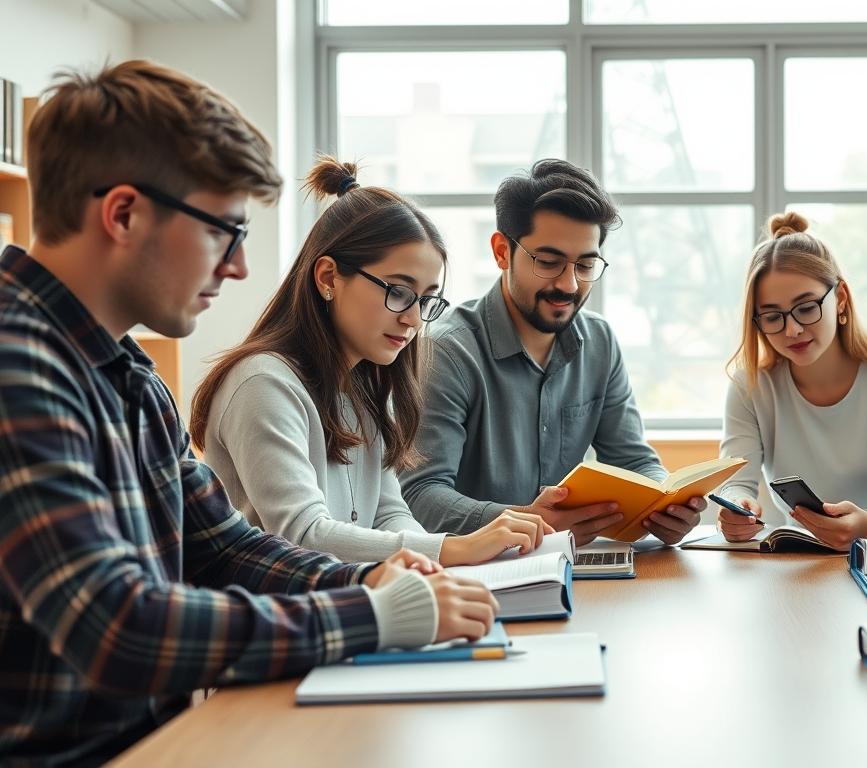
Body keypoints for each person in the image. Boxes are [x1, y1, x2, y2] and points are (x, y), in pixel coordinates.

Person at [0, 61, 496, 765]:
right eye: (222, 232)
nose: (236, 267)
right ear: (123, 214)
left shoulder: (127, 371)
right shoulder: (18, 364)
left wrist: (371, 580)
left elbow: (223, 545)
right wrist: (368, 614)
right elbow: (114, 624)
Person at [190, 157, 551, 568]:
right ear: (327, 278)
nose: (414, 318)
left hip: (348, 605)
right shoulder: (262, 384)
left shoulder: (365, 387)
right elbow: (302, 535)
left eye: (426, 299)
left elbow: (388, 514)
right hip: (272, 620)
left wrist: (435, 565)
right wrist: (454, 548)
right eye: (398, 291)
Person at [400, 159, 704, 545]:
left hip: (573, 571)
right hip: (476, 576)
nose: (569, 284)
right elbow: (419, 495)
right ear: (501, 252)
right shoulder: (445, 351)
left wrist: (666, 504)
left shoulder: (600, 342)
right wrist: (526, 521)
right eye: (548, 262)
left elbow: (633, 461)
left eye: (586, 264)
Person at [715, 212, 867, 551]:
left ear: (841, 299)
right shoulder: (750, 384)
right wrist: (737, 508)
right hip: (794, 560)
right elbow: (736, 485)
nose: (792, 330)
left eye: (806, 308)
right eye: (772, 317)